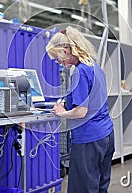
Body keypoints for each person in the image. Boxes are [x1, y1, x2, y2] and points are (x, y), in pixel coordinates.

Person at [45, 26, 115, 193]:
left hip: (88, 139)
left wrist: (62, 113)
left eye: (58, 57)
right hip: (106, 135)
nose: (58, 62)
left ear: (66, 51)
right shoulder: (95, 67)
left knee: (83, 188)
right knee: (99, 186)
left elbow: (81, 111)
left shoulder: (80, 72)